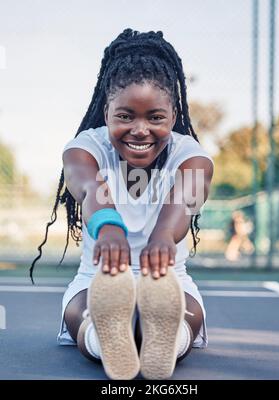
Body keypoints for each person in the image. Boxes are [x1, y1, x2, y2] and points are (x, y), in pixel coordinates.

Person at [30, 28, 214, 380]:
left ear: (174, 116)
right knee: (81, 311)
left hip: (165, 279)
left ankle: (167, 337)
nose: (140, 129)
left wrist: (162, 238)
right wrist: (108, 225)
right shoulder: (86, 147)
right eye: (125, 116)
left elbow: (187, 197)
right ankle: (106, 336)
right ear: (107, 111)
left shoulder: (192, 156)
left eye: (155, 118)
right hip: (99, 281)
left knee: (185, 312)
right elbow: (87, 185)